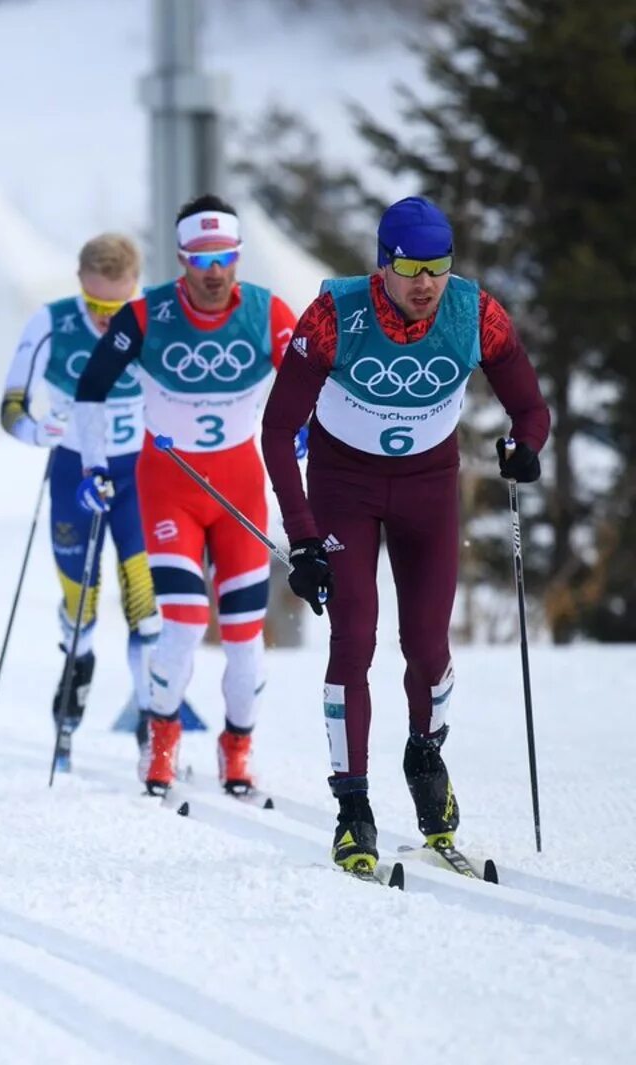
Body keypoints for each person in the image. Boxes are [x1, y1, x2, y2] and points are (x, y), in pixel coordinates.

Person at [260, 196, 549, 875]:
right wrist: (301, 538)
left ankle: (425, 750)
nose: (425, 281)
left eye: (437, 266)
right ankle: (352, 807)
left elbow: (529, 406)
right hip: (345, 486)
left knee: (426, 645)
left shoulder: (476, 313)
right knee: (354, 635)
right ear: (382, 264)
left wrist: (525, 447)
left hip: (426, 489)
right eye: (409, 266)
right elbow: (277, 430)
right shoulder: (334, 315)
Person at [74, 195, 297, 798]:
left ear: (238, 257)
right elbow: (90, 389)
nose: (213, 270)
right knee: (182, 625)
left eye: (224, 256)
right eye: (200, 258)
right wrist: (94, 463)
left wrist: (302, 432)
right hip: (169, 489)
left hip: (241, 494)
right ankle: (162, 736)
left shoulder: (268, 313)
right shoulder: (146, 317)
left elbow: (315, 380)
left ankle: (238, 745)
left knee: (246, 637)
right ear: (181, 260)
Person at [0, 233, 160, 771]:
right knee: (81, 605)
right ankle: (76, 678)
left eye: (115, 308)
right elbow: (10, 407)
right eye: (94, 305)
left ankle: (151, 720)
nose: (104, 320)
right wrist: (36, 432)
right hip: (72, 472)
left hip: (139, 475)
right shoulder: (50, 323)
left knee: (144, 599)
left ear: (135, 287)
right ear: (78, 284)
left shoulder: (157, 318)